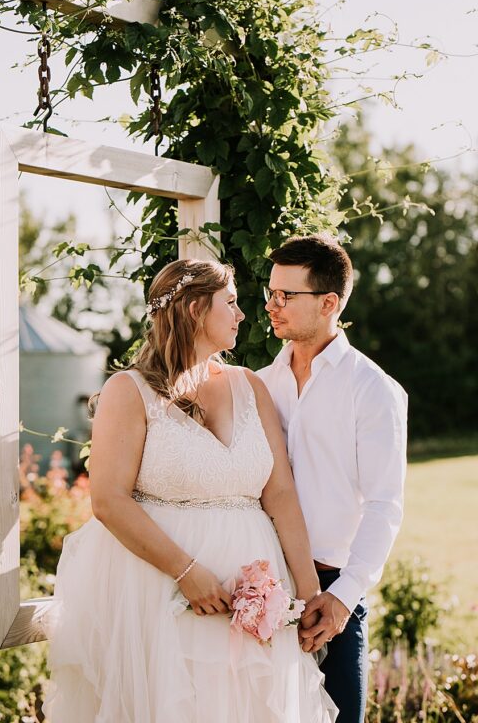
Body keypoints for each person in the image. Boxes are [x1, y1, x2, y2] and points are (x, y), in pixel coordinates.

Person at [44, 258, 338, 723]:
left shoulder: (250, 386)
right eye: (232, 303)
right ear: (197, 310)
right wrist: (187, 573)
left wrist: (306, 589)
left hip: (256, 598)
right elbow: (108, 499)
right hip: (163, 594)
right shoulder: (128, 391)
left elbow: (280, 493)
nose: (243, 314)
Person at [257, 235, 408, 723]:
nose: (273, 306)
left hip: (332, 596)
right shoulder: (260, 384)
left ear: (329, 303)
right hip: (260, 585)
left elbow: (385, 504)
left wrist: (343, 599)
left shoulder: (373, 390)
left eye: (287, 296)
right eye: (270, 293)